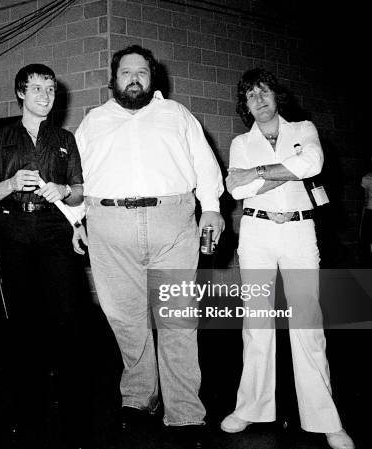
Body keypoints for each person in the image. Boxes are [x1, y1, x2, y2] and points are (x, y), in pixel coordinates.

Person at [73, 45, 225, 448]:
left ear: (152, 78)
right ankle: (139, 398)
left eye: (142, 71)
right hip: (109, 225)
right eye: (126, 72)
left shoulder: (175, 115)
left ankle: (185, 411)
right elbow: (74, 177)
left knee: (177, 318)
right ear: (114, 79)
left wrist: (211, 209)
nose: (134, 78)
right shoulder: (94, 121)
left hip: (172, 222)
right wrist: (75, 221)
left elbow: (206, 164)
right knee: (125, 319)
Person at [222, 68, 354, 449]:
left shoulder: (304, 129)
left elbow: (312, 165)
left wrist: (259, 174)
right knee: (257, 323)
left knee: (307, 323)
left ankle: (326, 420)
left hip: (298, 230)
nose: (259, 99)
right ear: (244, 106)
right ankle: (250, 408)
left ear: (276, 96)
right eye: (250, 96)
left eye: (264, 91)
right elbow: (235, 187)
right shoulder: (240, 142)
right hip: (257, 232)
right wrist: (287, 171)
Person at [0, 64, 86, 448]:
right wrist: (8, 183)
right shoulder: (0, 136)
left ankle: (73, 407)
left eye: (50, 88)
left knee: (67, 316)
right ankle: (27, 404)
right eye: (36, 88)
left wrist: (62, 189)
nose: (44, 95)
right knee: (22, 318)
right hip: (14, 231)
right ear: (21, 93)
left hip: (55, 231)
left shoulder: (65, 138)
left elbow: (79, 193)